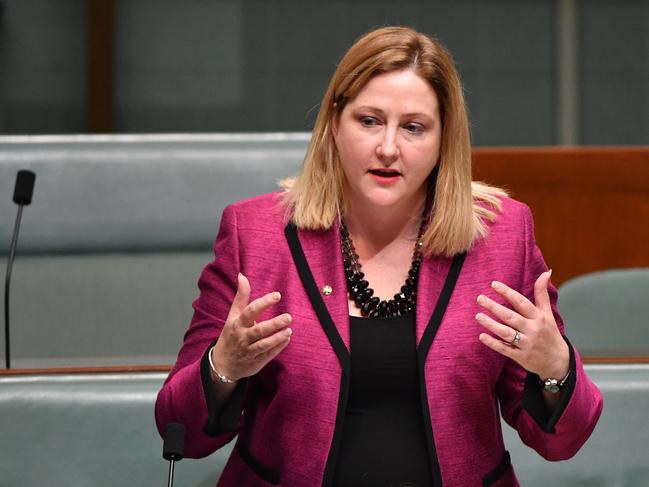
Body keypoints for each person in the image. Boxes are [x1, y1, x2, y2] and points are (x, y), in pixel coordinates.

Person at [155, 26, 603, 486]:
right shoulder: (256, 234)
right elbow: (180, 431)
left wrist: (555, 368)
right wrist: (223, 367)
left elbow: (561, 441)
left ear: (444, 137)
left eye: (413, 127)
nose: (388, 148)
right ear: (335, 122)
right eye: (369, 120)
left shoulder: (500, 235)